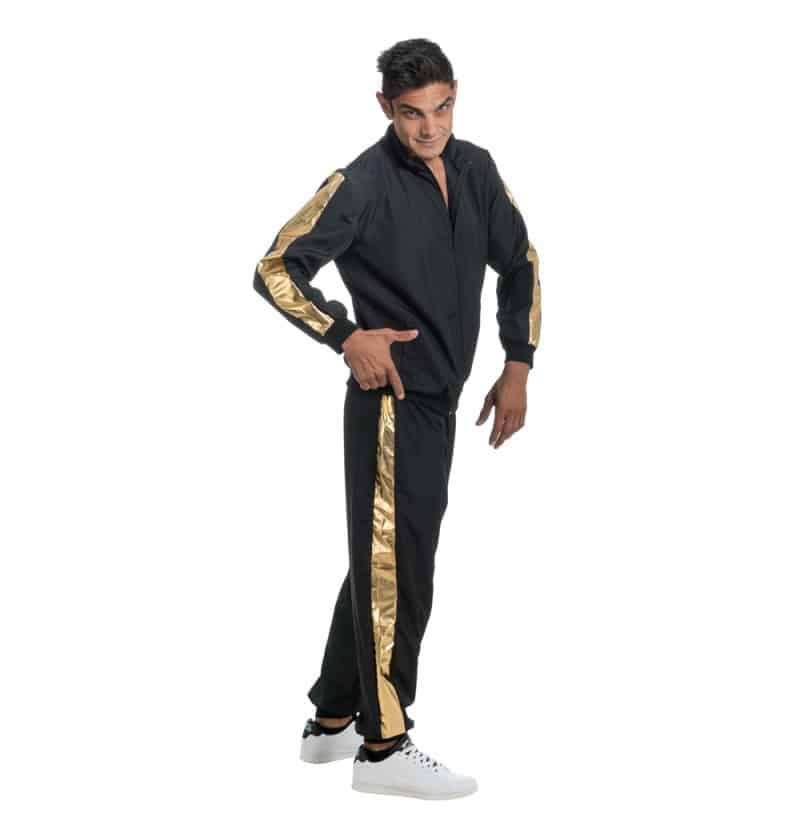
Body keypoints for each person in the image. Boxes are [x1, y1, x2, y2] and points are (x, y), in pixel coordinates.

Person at [252, 37, 541, 800]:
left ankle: (332, 719)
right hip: (391, 402)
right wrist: (345, 335)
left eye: (441, 108)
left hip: (443, 399)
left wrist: (518, 361)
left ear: (456, 96)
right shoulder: (363, 182)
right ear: (385, 106)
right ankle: (383, 746)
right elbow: (275, 267)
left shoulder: (475, 168)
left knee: (384, 557)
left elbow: (521, 260)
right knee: (400, 568)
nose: (429, 127)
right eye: (412, 113)